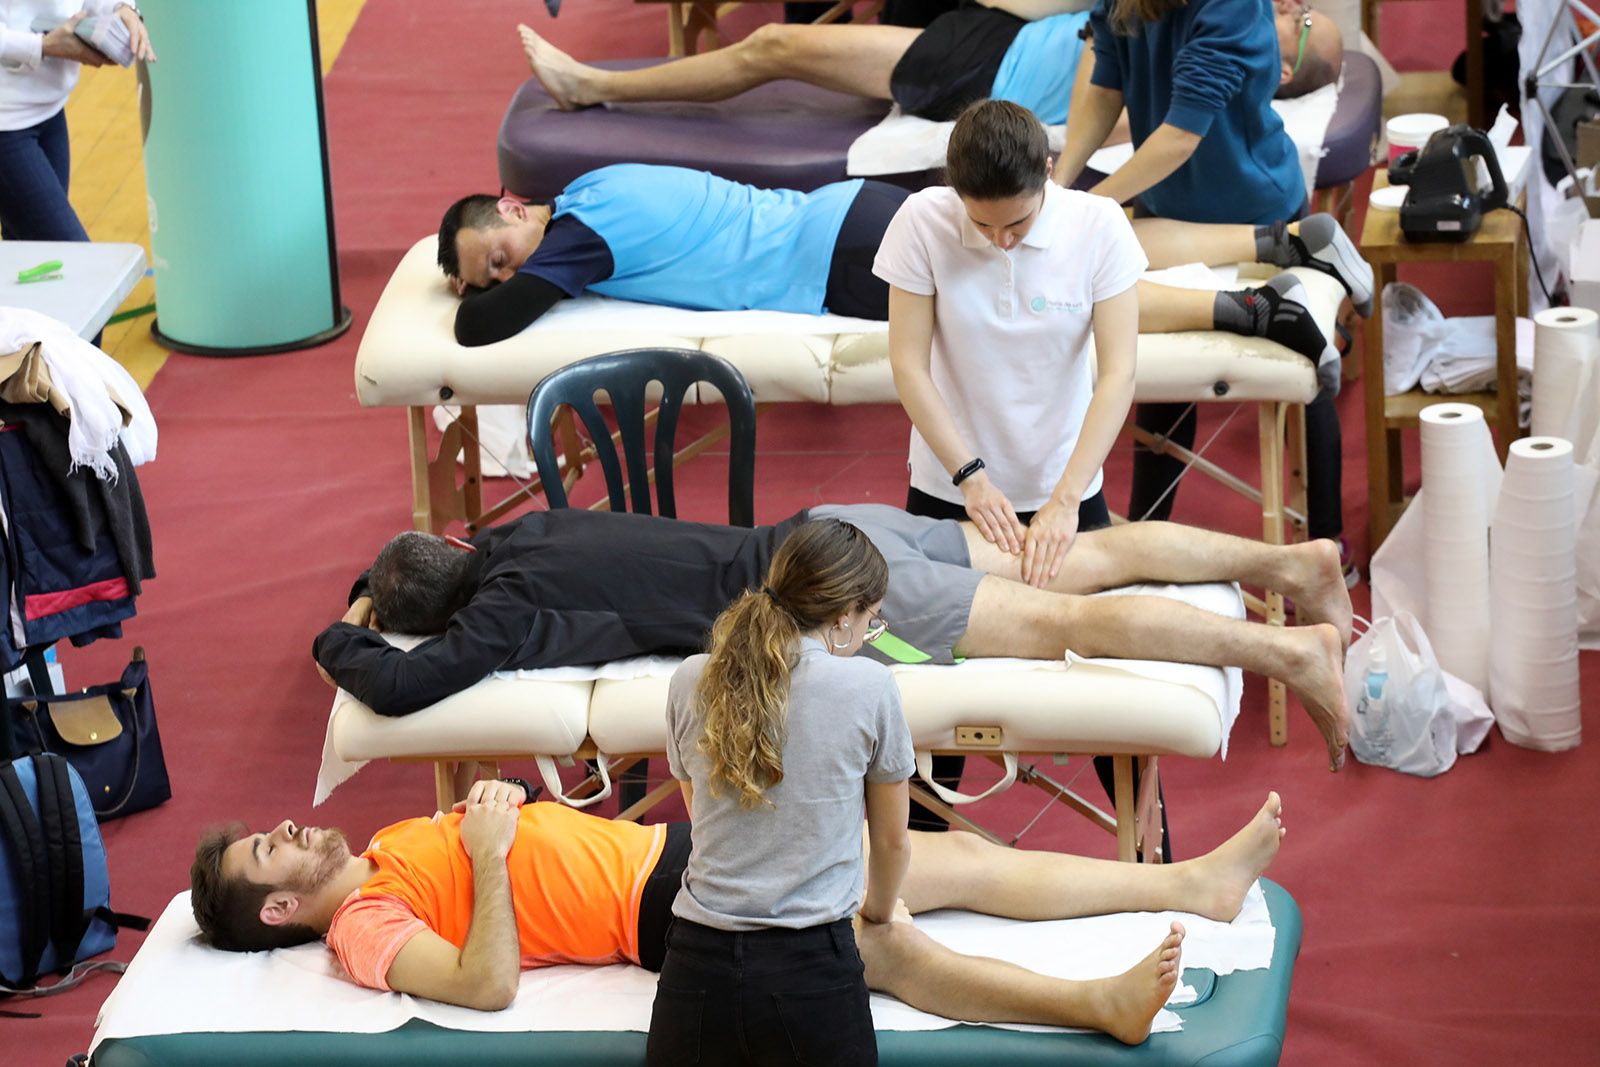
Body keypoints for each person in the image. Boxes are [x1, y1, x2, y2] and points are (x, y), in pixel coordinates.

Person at [189, 778, 1291, 1043]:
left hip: (676, 850)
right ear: (280, 902)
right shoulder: (359, 927)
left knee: (938, 860)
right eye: (268, 849)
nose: (289, 828)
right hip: (664, 906)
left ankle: (1186, 880)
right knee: (880, 947)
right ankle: (1094, 1004)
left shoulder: (382, 846)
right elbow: (485, 982)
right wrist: (485, 850)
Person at [312, 504, 1353, 770]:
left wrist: (340, 634)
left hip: (836, 598)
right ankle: (1290, 563)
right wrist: (377, 584)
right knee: (1083, 557)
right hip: (833, 522)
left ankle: (1290, 651)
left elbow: (406, 688)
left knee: (1062, 624)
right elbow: (430, 562)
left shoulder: (492, 614)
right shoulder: (523, 530)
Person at [438, 163, 1363, 371]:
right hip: (850, 207)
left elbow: (483, 326)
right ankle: (1274, 242)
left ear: (516, 210)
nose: (506, 276)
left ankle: (1246, 309)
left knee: (1048, 296)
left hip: (838, 259)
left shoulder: (573, 238)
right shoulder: (595, 185)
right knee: (1068, 239)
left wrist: (482, 295)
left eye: (495, 256)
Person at [1054, 0, 1364, 576]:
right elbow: (1107, 83)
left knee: (1305, 372)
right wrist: (1061, 184)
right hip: (1168, 206)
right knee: (1162, 389)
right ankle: (1145, 538)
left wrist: (1088, 207)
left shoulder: (1232, 4)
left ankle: (1327, 545)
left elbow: (1179, 136)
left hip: (1257, 204)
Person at [649, 519, 909, 1064]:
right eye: (872, 619)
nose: (868, 632)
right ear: (845, 615)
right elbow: (890, 843)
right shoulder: (870, 686)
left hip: (695, 969)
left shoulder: (690, 679)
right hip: (812, 969)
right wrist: (879, 914)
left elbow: (700, 817)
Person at [514, 1, 1339, 125]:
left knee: (776, 46)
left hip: (982, 70)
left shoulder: (1209, 77)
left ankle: (594, 87)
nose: (1292, 7)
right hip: (1006, 27)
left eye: (1301, 21)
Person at [0, 2, 156, 242]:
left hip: (49, 109)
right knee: (72, 257)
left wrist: (121, 8)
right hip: (6, 127)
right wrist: (42, 46)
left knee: (30, 257)